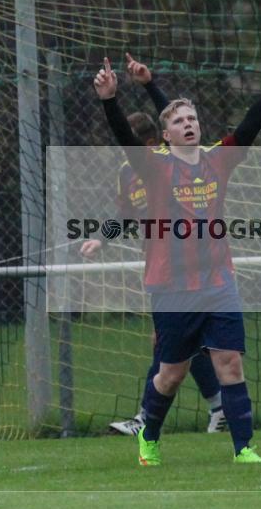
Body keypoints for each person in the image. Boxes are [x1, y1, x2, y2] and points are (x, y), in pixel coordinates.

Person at [93, 38, 261, 465]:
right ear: (165, 136)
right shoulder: (151, 167)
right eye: (179, 121)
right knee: (170, 375)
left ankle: (245, 449)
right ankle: (148, 435)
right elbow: (126, 145)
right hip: (172, 286)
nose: (189, 124)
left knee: (230, 365)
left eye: (193, 118)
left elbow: (253, 122)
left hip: (218, 282)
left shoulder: (218, 160)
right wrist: (110, 100)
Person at [81, 63, 226, 435]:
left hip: (194, 262)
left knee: (170, 342)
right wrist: (102, 236)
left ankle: (148, 418)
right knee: (177, 344)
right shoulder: (129, 174)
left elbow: (176, 118)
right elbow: (127, 215)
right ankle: (218, 409)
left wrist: (150, 85)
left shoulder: (168, 158)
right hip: (162, 264)